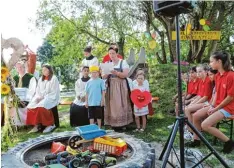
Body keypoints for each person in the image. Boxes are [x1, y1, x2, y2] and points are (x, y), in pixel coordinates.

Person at [200, 51, 234, 154]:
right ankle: (197, 139)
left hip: (229, 107)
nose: (210, 64)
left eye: (211, 61)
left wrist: (216, 108)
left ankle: (229, 142)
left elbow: (230, 97)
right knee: (200, 117)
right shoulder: (218, 76)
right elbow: (217, 93)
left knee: (205, 125)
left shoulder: (231, 76)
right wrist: (212, 106)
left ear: (219, 61)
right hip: (220, 106)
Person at [102, 47, 133, 129]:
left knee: (120, 104)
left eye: (113, 53)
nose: (111, 55)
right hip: (111, 85)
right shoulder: (107, 63)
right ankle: (113, 123)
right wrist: (106, 74)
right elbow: (103, 76)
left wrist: (115, 72)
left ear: (116, 54)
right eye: (110, 53)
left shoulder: (123, 62)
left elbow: (125, 74)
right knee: (112, 104)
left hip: (120, 85)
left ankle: (123, 123)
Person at [187, 68, 217, 147]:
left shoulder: (207, 81)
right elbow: (199, 95)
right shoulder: (204, 81)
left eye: (200, 71)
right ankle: (193, 133)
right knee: (189, 110)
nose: (198, 73)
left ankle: (192, 132)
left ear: (205, 72)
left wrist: (210, 105)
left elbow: (206, 97)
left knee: (189, 110)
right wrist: (192, 103)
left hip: (209, 104)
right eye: (197, 72)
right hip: (209, 104)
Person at [26, 64, 60, 133]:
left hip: (51, 97)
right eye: (43, 70)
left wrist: (43, 97)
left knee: (41, 106)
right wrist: (38, 98)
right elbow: (38, 91)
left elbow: (54, 91)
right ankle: (36, 125)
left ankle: (50, 124)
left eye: (45, 70)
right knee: (30, 106)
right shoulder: (41, 79)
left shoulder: (54, 78)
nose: (44, 71)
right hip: (41, 97)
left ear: (49, 70)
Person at [10, 61, 37, 126]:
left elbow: (32, 90)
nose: (20, 69)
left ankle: (25, 123)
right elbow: (13, 90)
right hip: (17, 98)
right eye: (18, 67)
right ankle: (15, 123)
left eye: (22, 67)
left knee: (22, 104)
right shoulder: (14, 78)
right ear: (16, 69)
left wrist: (26, 99)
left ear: (25, 67)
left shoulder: (31, 77)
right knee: (10, 103)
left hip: (28, 98)